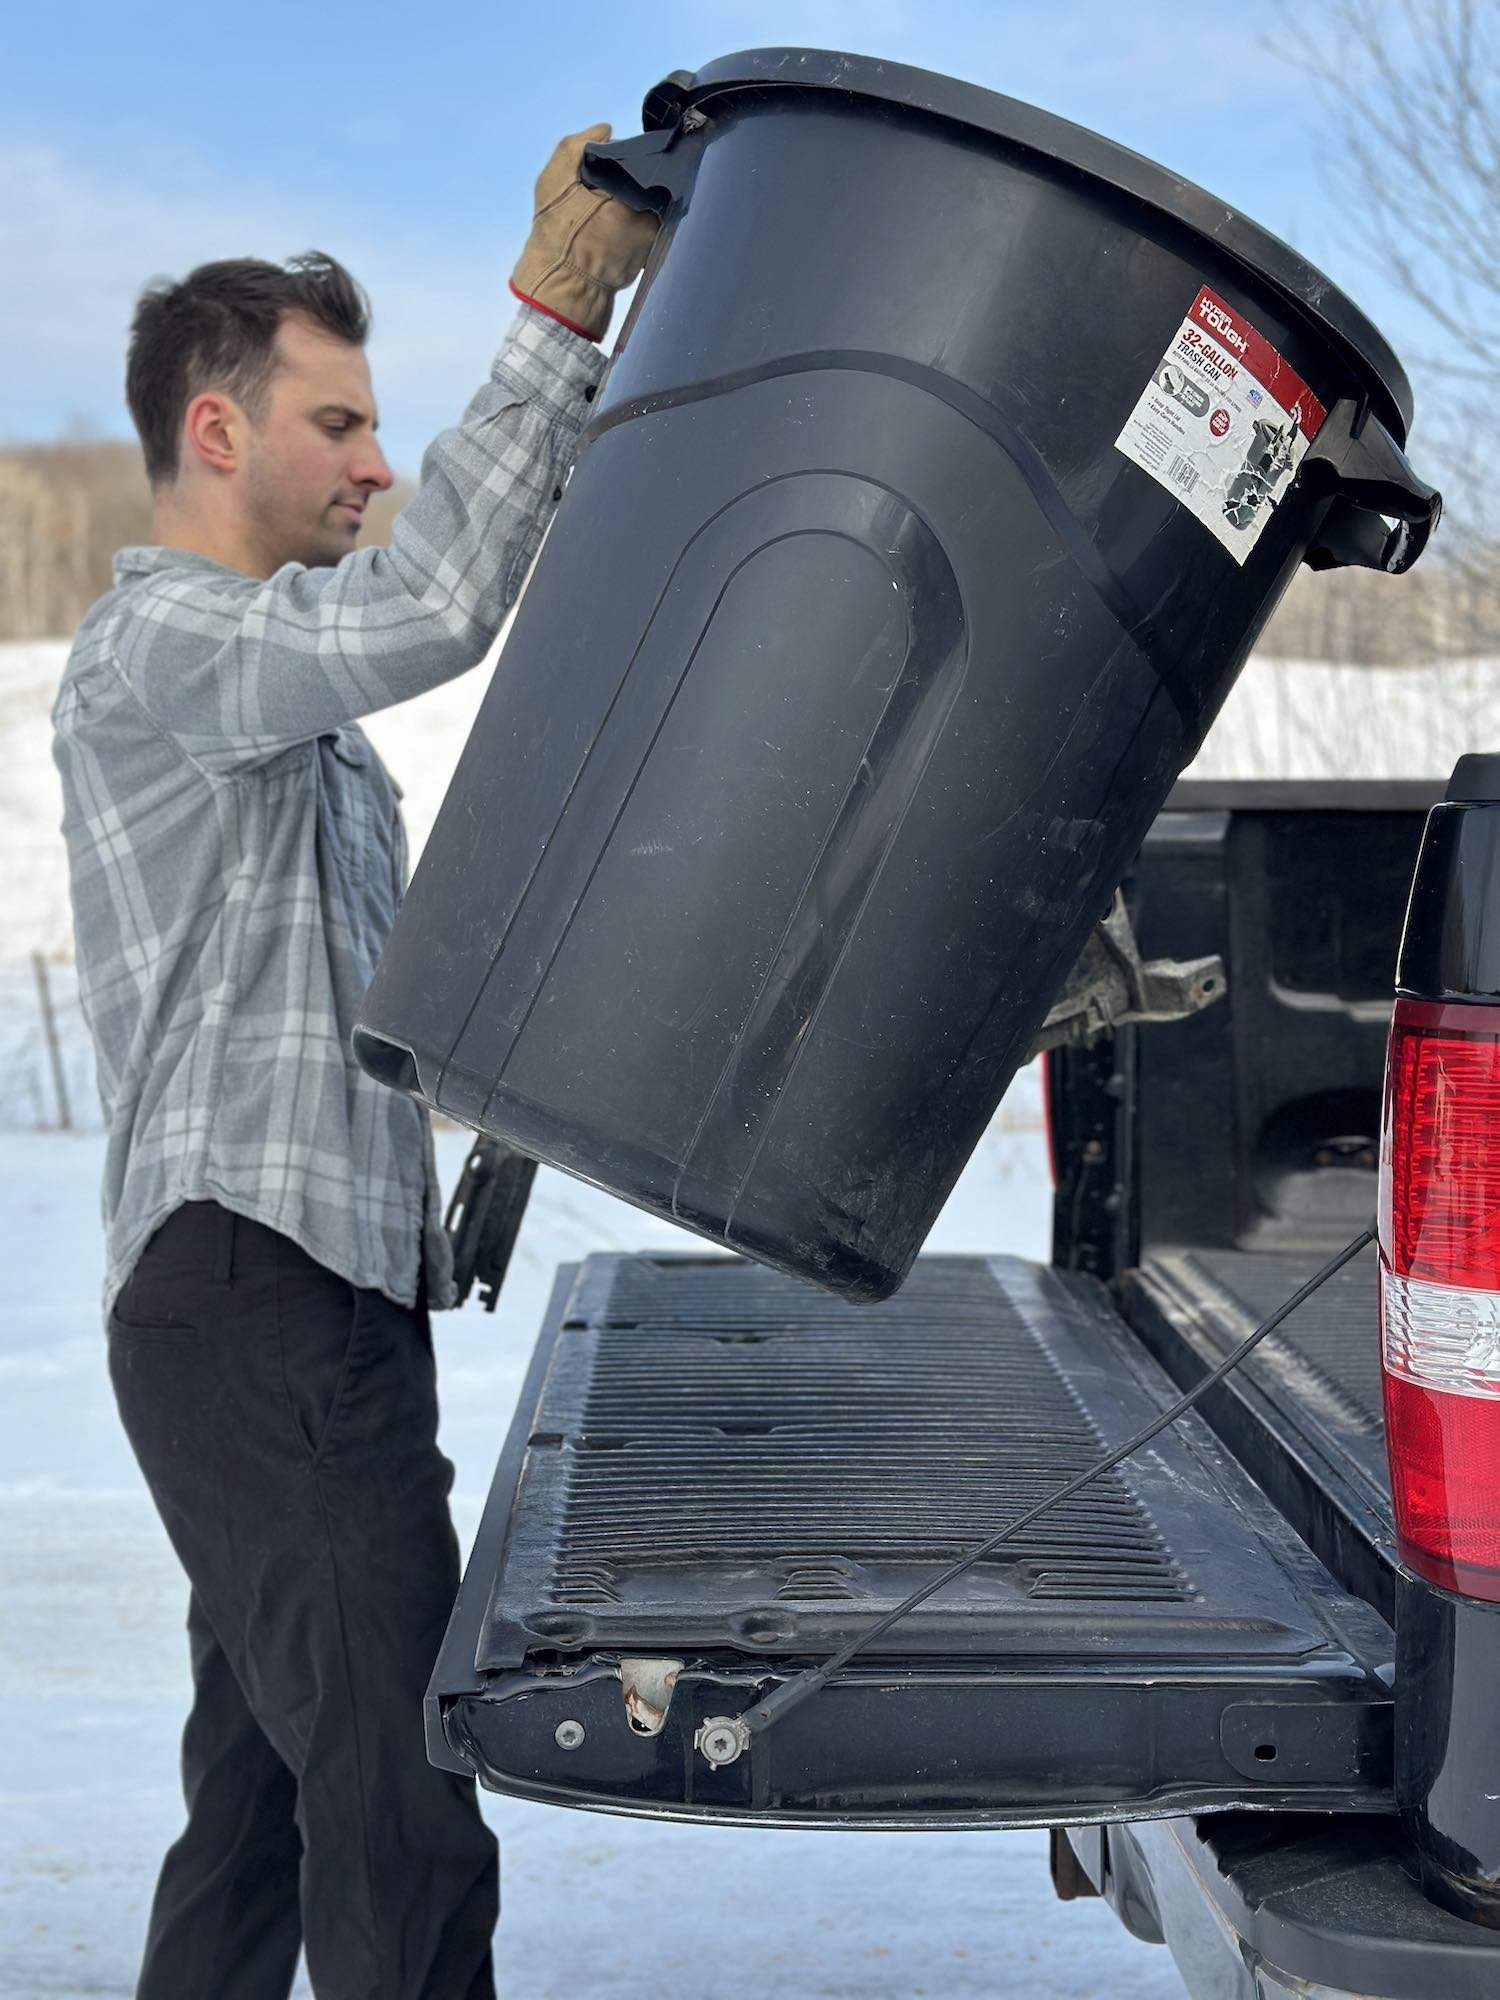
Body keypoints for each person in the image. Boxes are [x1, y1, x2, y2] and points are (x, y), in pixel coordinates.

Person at [52, 126, 655, 2000]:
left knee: (264, 1811)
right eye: (341, 425)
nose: (379, 465)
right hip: (251, 1302)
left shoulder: (296, 745)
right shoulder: (161, 646)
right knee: (398, 1807)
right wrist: (560, 314)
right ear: (219, 433)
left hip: (301, 1313)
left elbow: (372, 1015)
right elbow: (433, 607)